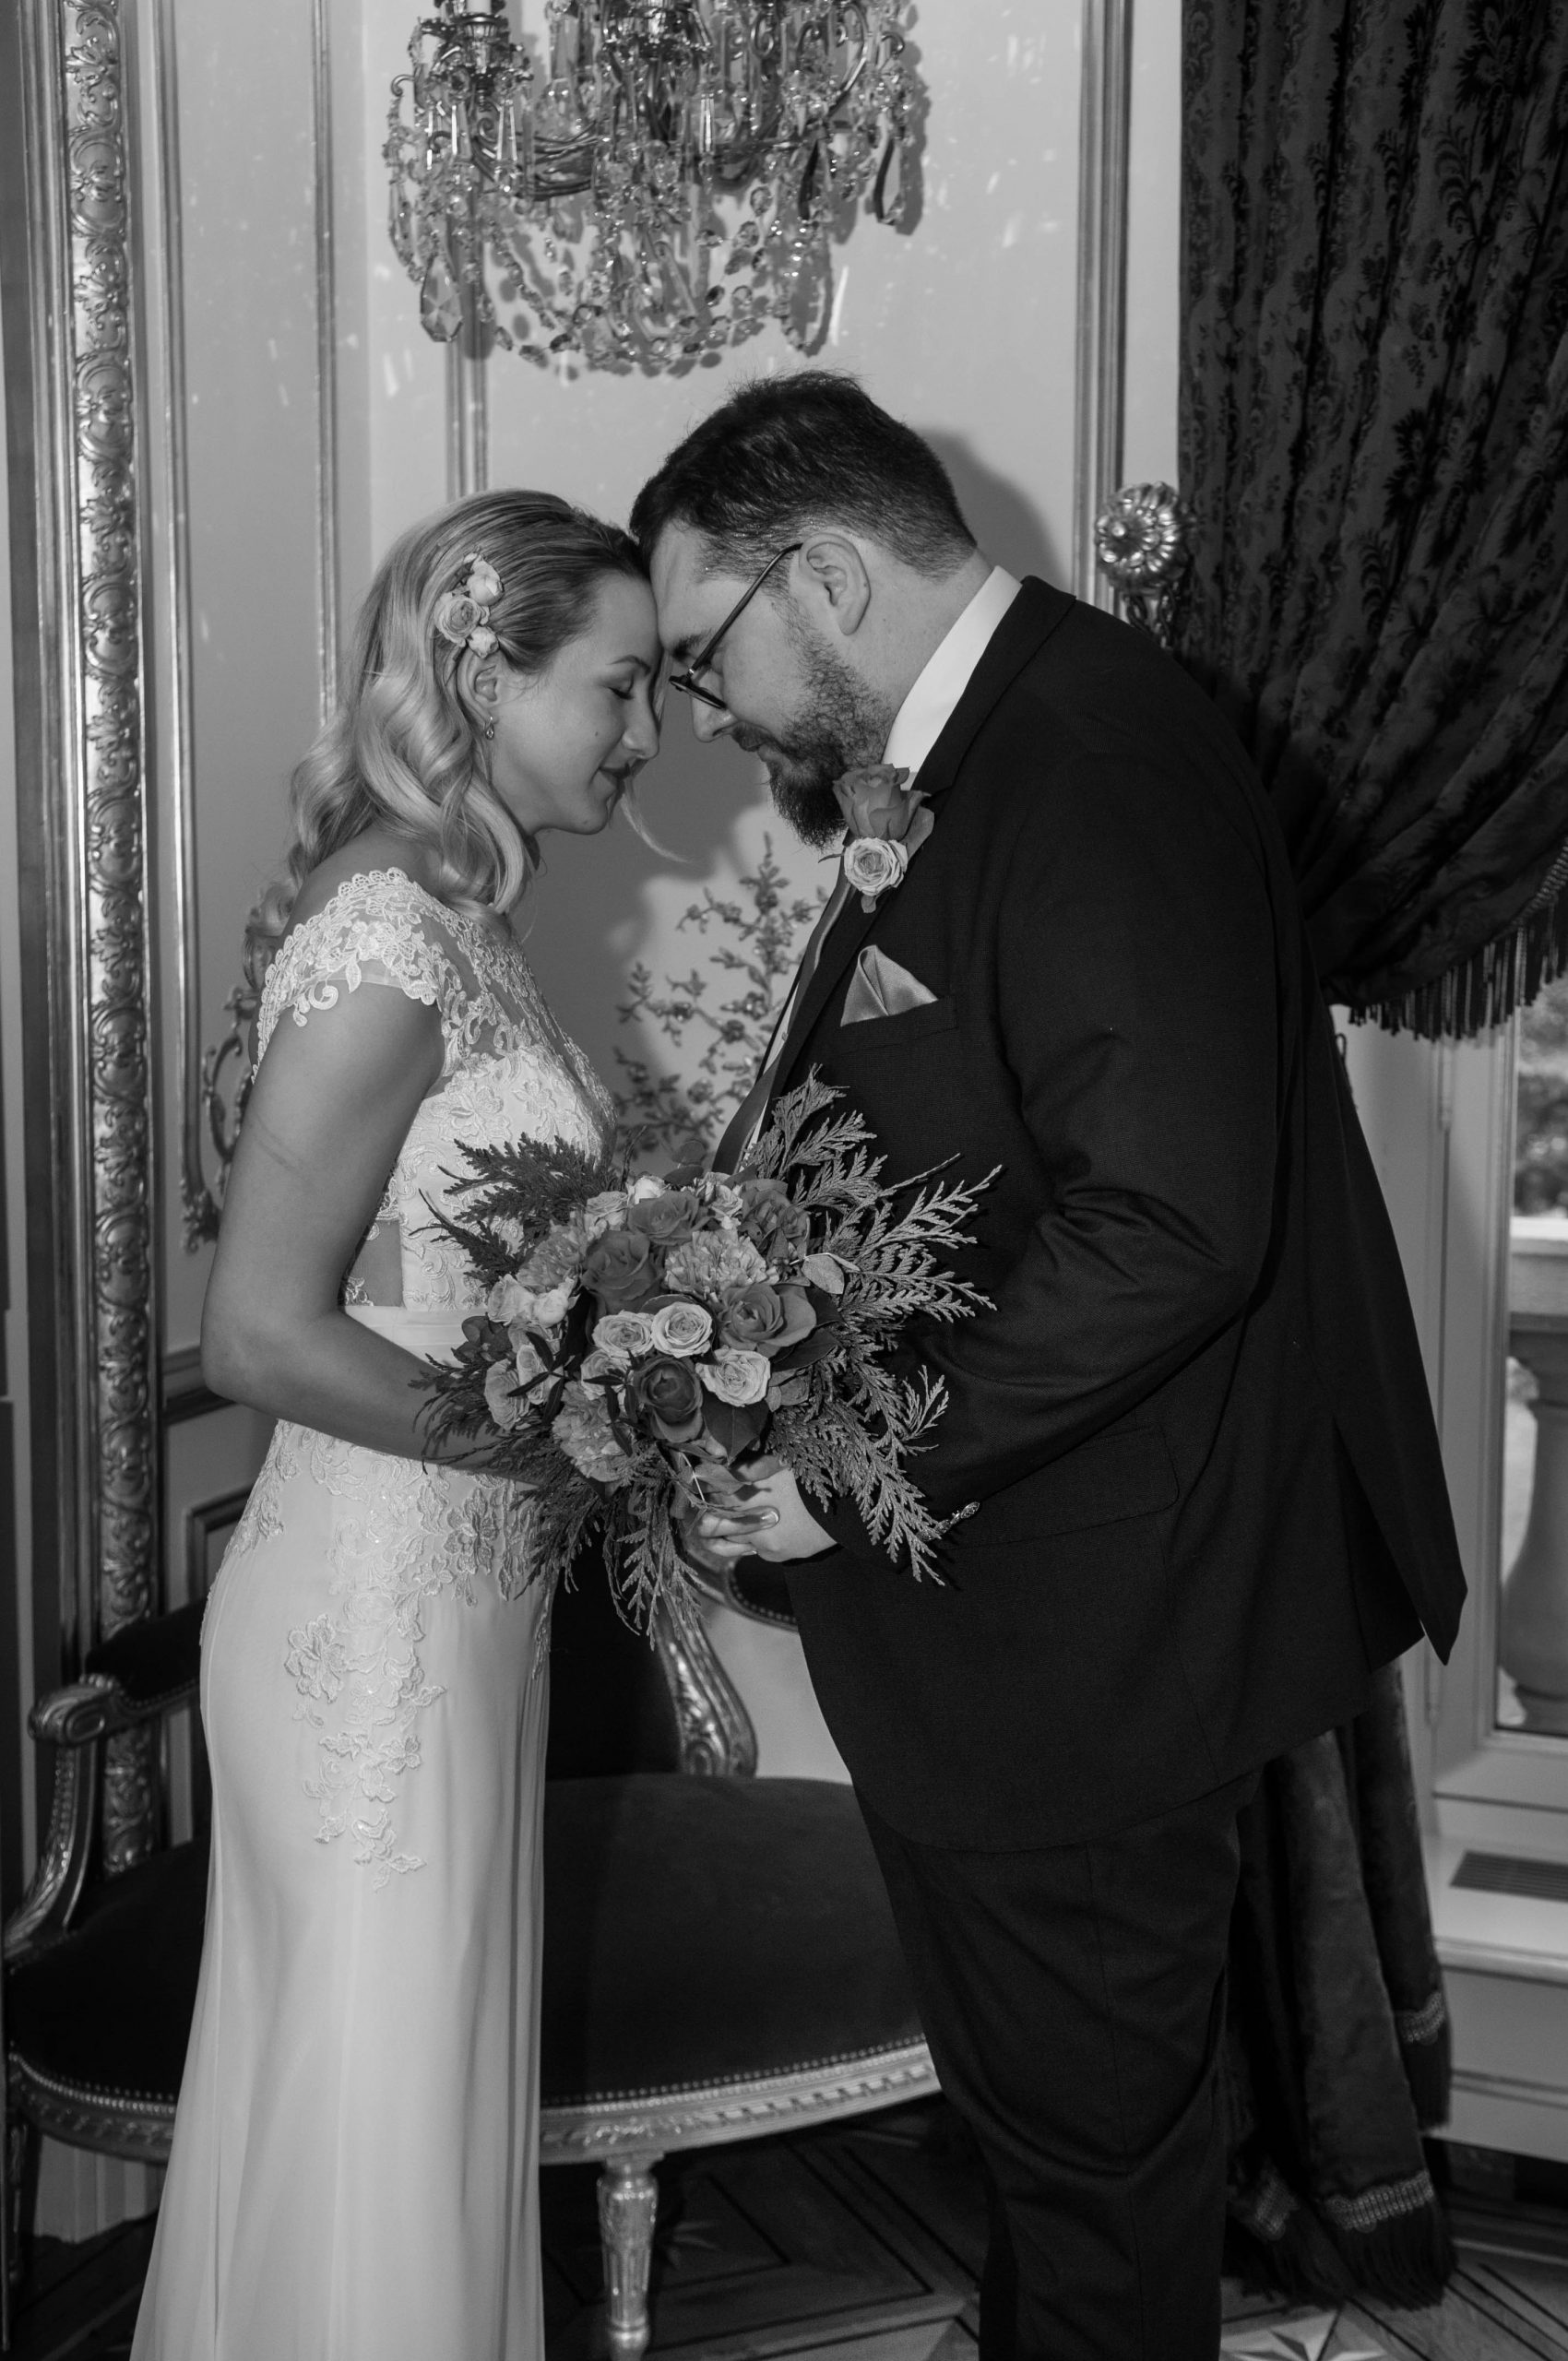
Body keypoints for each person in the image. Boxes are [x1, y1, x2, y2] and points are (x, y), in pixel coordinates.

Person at [629, 373, 1467, 2361]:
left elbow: (1170, 1224)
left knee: (1096, 2207)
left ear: (828, 573)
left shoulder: (1083, 752)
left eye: (704, 653)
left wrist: (848, 1466)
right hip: (1038, 1634)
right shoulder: (990, 749)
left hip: (1090, 1650)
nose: (706, 711)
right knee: (1063, 2177)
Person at [131, 492, 660, 2361]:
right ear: (484, 670)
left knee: (423, 2121)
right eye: (618, 684)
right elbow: (256, 1334)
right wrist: (543, 1436)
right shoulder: (383, 938)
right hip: (369, 1617)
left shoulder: (468, 922)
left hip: (461, 1606)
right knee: (376, 2127)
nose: (645, 730)